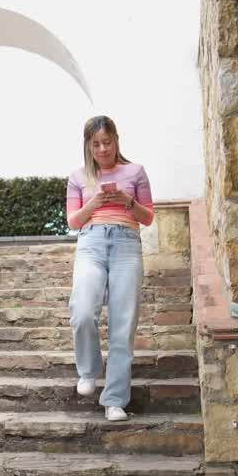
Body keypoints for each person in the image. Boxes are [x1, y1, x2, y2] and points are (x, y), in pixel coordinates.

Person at [64, 115, 154, 422]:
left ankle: (115, 399)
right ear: (88, 146)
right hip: (91, 243)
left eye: (108, 142)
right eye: (96, 144)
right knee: (83, 311)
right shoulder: (78, 177)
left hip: (127, 244)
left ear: (116, 140)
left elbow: (148, 217)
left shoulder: (135, 171)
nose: (103, 149)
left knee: (123, 324)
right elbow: (73, 221)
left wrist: (126, 200)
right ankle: (88, 371)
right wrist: (96, 202)